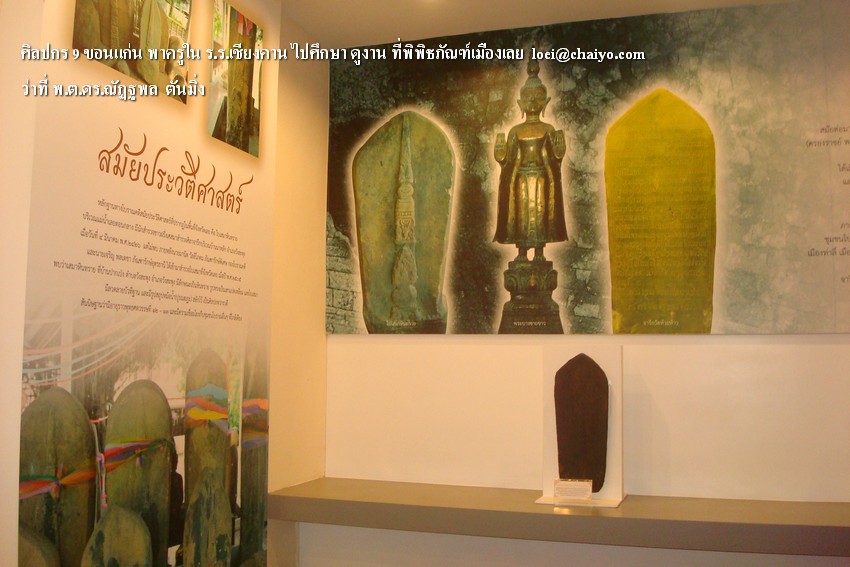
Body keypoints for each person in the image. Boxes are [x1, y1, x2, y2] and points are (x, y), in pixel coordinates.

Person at [494, 57, 568, 260]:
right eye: (528, 97)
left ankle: (539, 252)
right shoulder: (515, 131)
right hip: (520, 178)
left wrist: (559, 152)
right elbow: (507, 160)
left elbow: (555, 158)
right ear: (520, 103)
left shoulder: (548, 129)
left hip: (542, 177)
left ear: (546, 102)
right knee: (521, 215)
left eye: (537, 97)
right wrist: (500, 155)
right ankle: (521, 251)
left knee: (540, 215)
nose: (533, 101)